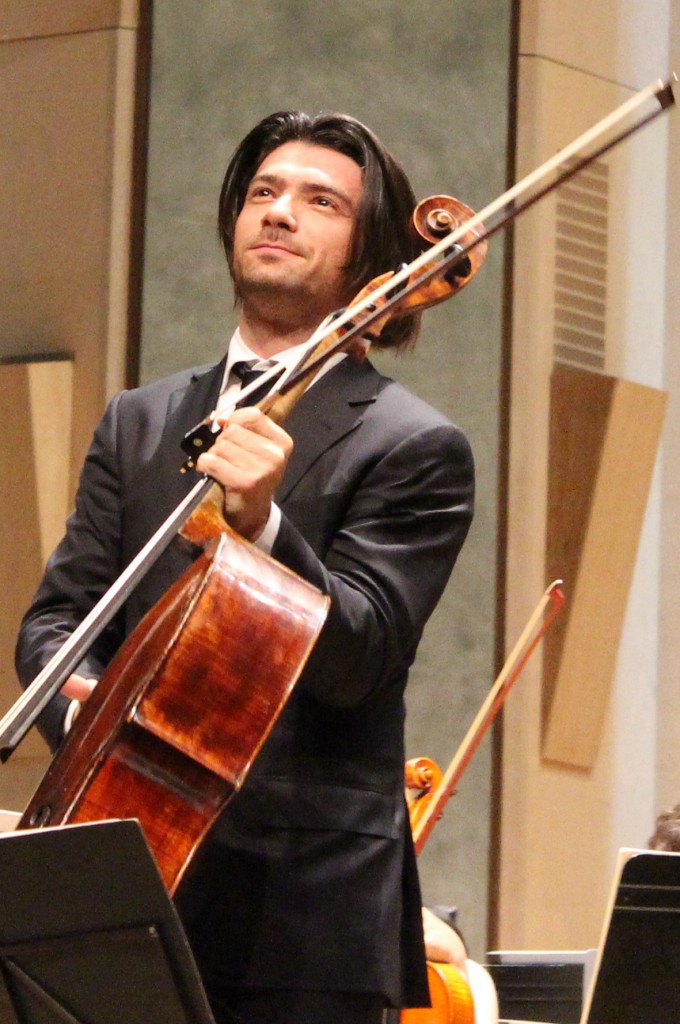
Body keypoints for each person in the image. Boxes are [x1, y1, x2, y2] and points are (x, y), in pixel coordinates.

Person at [15, 111, 475, 1024]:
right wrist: (93, 701)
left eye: (320, 202)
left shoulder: (415, 445)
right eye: (263, 193)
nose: (279, 214)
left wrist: (260, 523)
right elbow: (58, 622)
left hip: (302, 915)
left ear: (372, 258)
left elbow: (360, 657)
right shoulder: (140, 421)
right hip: (124, 876)